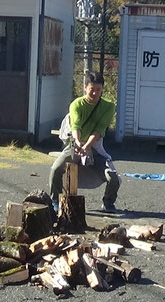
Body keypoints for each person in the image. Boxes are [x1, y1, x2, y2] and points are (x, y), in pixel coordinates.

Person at [49, 71, 120, 213]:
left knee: (113, 178)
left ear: (102, 89)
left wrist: (87, 146)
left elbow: (99, 130)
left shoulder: (108, 106)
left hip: (95, 148)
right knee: (55, 170)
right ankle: (54, 201)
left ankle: (108, 202)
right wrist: (78, 142)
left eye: (98, 90)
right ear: (85, 87)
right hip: (75, 145)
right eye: (92, 89)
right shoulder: (76, 104)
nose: (95, 93)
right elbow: (76, 125)